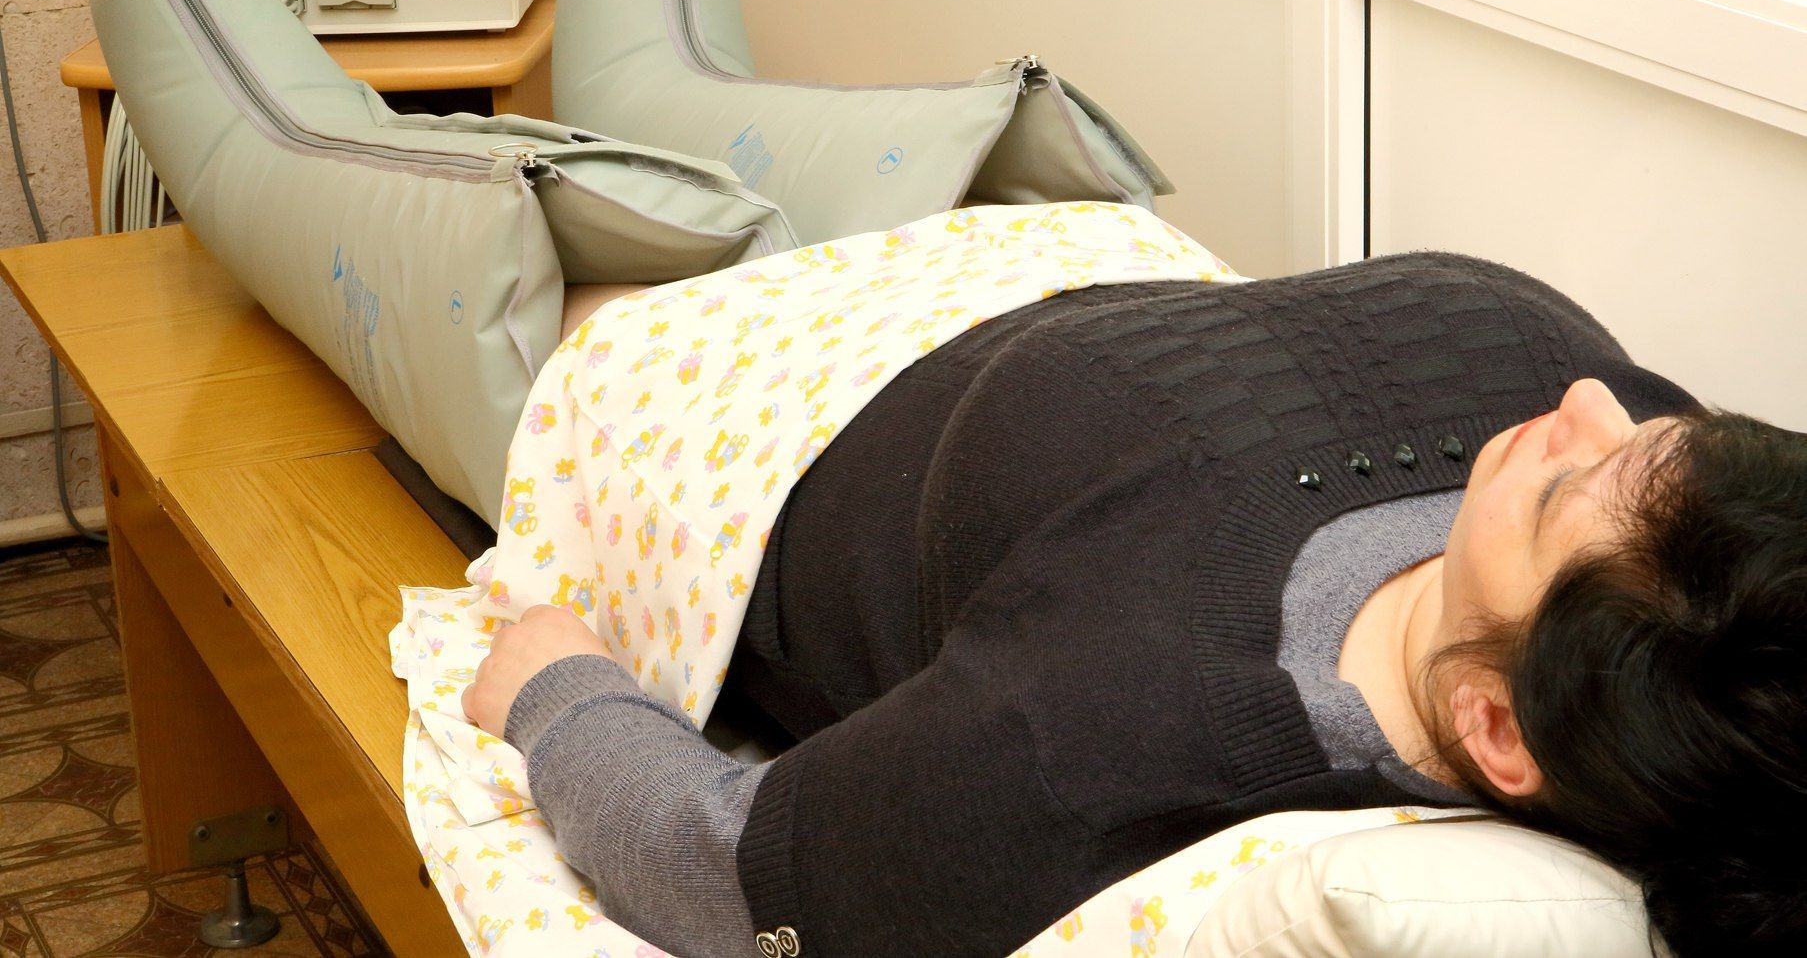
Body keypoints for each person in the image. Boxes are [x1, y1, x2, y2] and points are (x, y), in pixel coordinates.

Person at [463, 251, 1807, 958]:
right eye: (1659, 435)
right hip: (1042, 257)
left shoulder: (1108, 731)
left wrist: (559, 692)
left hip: (752, 405)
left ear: (1499, 729)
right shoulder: (1693, 567)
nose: (1590, 401)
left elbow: (731, 873)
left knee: (520, 269)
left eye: (1565, 490)